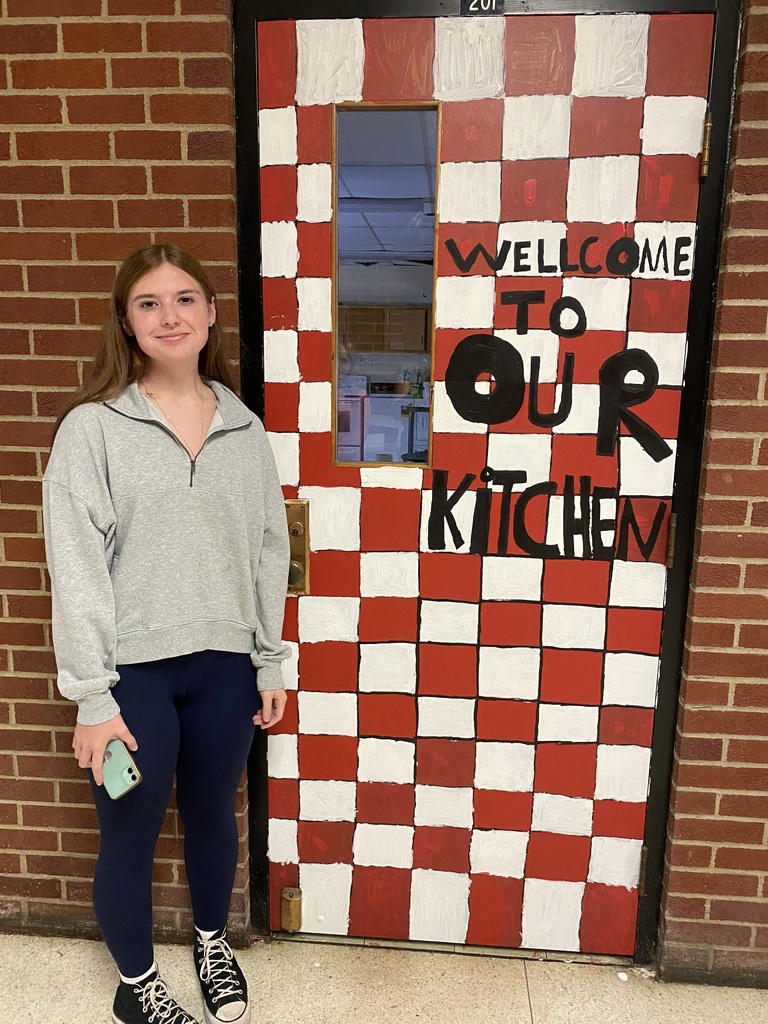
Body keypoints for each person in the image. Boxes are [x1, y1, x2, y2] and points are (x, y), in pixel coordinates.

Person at [42, 243, 290, 1024]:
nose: (169, 316)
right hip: (130, 684)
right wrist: (92, 698)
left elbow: (269, 550)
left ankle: (212, 944)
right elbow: (76, 568)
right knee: (130, 830)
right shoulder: (92, 430)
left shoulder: (245, 429)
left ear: (211, 313)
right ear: (126, 321)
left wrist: (269, 661)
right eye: (148, 303)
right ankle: (138, 985)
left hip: (223, 671)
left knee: (213, 814)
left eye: (185, 299)